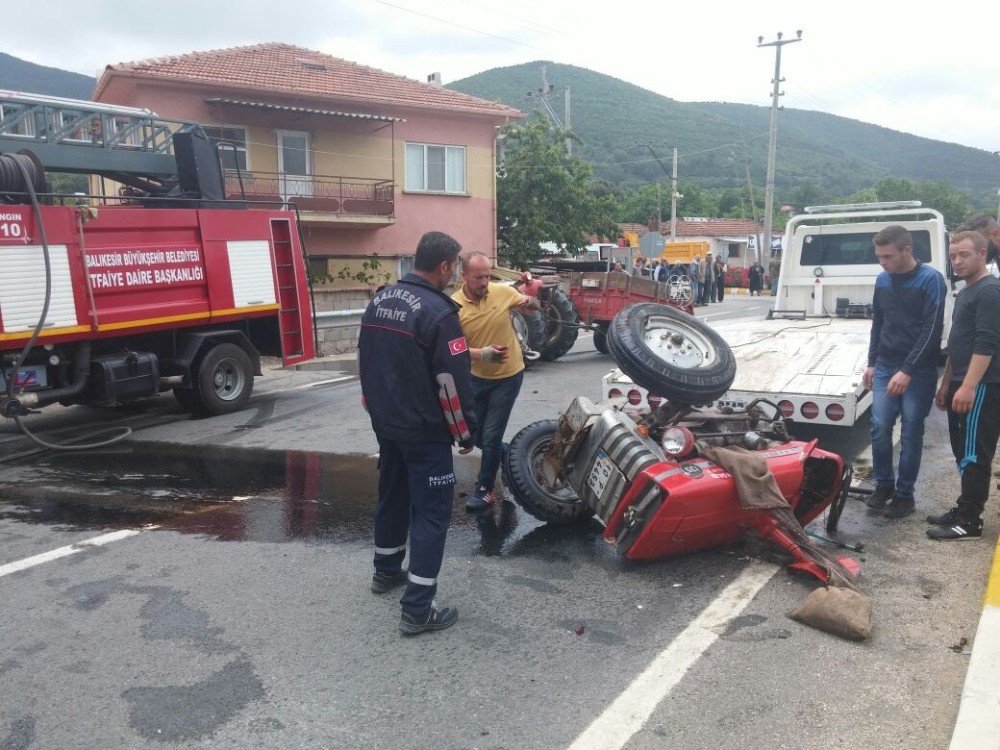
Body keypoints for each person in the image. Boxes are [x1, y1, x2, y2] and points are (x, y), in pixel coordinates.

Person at [358, 231, 476, 635]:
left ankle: (386, 571)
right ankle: (418, 609)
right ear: (443, 266)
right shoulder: (439, 314)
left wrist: (376, 411)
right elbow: (451, 383)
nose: (455, 274)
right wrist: (464, 433)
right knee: (431, 514)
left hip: (387, 424)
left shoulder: (379, 300)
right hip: (424, 432)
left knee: (392, 494)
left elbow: (366, 363)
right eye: (455, 266)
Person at [861, 225, 946, 519]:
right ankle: (884, 485)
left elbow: (931, 329)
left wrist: (908, 370)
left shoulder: (930, 280)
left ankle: (904, 495)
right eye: (879, 257)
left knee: (911, 430)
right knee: (880, 426)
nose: (883, 262)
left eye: (888, 256)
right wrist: (872, 362)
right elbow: (878, 323)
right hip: (885, 365)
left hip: (918, 371)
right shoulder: (883, 280)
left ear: (907, 250)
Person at [926, 231, 1000, 540]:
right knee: (961, 449)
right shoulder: (967, 290)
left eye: (964, 255)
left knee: (973, 452)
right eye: (953, 255)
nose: (956, 261)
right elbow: (959, 342)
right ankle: (965, 506)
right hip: (960, 380)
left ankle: (970, 521)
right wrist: (947, 384)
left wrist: (969, 386)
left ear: (982, 254)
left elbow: (986, 343)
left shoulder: (990, 291)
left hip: (982, 384)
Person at [452, 252, 539, 513]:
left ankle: (485, 489)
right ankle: (508, 453)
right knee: (474, 434)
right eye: (478, 277)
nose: (484, 282)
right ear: (464, 276)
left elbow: (530, 304)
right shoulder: (454, 307)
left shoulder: (501, 292)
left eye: (488, 276)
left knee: (490, 436)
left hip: (509, 376)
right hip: (477, 378)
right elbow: (452, 349)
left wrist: (529, 300)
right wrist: (482, 354)